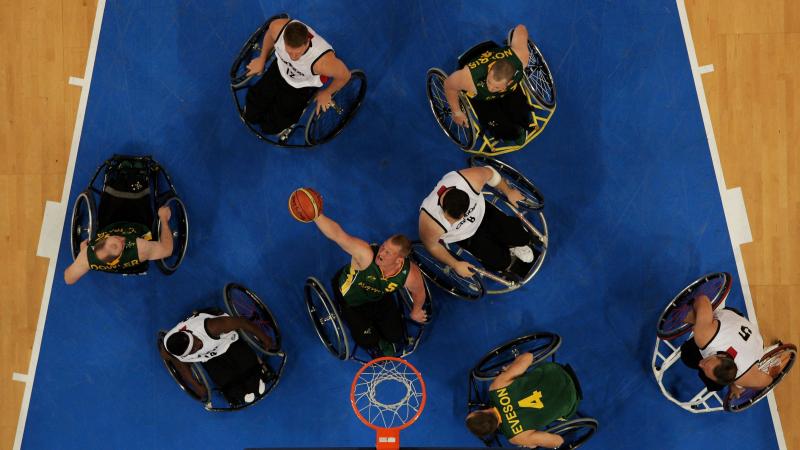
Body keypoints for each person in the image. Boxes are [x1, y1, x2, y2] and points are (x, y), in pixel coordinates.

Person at [309, 211, 428, 355]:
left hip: (378, 298)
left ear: (399, 260)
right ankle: (376, 339)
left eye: (388, 252)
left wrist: (416, 310)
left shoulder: (409, 274)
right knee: (368, 341)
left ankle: (379, 330)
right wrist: (316, 216)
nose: (381, 253)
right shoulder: (365, 255)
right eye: (383, 246)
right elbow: (339, 235)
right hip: (351, 300)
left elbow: (419, 291)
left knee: (396, 336)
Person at [243, 16, 352, 136]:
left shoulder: (323, 62)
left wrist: (327, 92)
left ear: (307, 43)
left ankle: (288, 120)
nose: (294, 57)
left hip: (302, 85)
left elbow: (345, 75)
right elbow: (269, 34)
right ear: (284, 39)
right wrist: (262, 59)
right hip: (280, 69)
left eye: (298, 53)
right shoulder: (277, 28)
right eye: (290, 52)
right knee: (250, 114)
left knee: (270, 128)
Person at [419, 165, 535, 277]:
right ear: (443, 210)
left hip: (484, 214)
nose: (463, 218)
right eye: (455, 219)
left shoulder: (469, 180)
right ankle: (501, 254)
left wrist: (508, 191)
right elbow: (432, 245)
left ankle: (513, 244)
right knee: (502, 263)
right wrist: (455, 264)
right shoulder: (430, 220)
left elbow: (490, 173)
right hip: (464, 236)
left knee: (522, 237)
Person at [160, 310, 276, 405]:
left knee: (250, 372)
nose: (198, 346)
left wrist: (266, 339)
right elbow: (181, 366)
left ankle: (259, 373)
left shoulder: (211, 327)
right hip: (208, 358)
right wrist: (196, 386)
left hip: (228, 343)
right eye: (193, 350)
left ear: (190, 335)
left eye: (195, 342)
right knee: (229, 385)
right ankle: (238, 390)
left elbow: (242, 322)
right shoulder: (170, 351)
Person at [465, 353, 579, 448]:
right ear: (482, 411)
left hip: (572, 398)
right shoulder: (496, 387)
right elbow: (528, 357)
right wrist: (510, 367)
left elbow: (558, 441)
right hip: (556, 371)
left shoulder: (516, 438)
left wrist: (532, 443)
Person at [443, 24, 532, 143]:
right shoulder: (469, 78)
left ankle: (519, 123)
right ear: (490, 70)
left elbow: (521, 28)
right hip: (480, 94)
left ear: (509, 81)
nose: (490, 88)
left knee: (520, 111)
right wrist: (456, 112)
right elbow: (449, 85)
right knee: (496, 122)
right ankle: (508, 133)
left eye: (495, 87)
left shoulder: (521, 58)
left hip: (507, 89)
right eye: (489, 81)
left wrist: (515, 42)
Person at [681, 294, 777, 394]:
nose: (701, 364)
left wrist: (737, 385)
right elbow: (703, 299)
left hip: (753, 338)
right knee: (687, 356)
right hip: (732, 320)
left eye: (704, 367)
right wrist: (696, 319)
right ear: (720, 356)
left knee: (715, 385)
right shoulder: (706, 337)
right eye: (706, 362)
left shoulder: (744, 378)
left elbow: (767, 381)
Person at [64, 206, 174, 284]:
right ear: (120, 255)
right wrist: (164, 219)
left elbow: (68, 279)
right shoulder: (140, 248)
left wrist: (81, 258)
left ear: (98, 243)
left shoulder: (86, 257)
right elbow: (167, 249)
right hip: (137, 235)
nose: (122, 238)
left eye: (116, 237)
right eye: (122, 244)